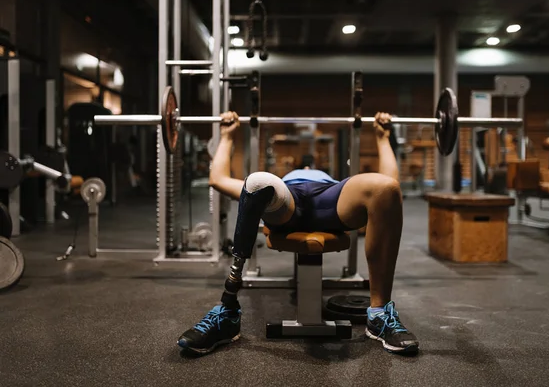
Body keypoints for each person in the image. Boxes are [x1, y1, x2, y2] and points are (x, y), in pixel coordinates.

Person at [177, 112, 418, 355]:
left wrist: (382, 137)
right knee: (257, 182)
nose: (307, 167)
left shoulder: (329, 180)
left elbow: (389, 188)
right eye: (306, 165)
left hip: (332, 198)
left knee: (385, 188)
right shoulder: (284, 182)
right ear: (302, 168)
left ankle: (378, 315)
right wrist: (227, 137)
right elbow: (217, 179)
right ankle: (227, 311)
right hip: (288, 203)